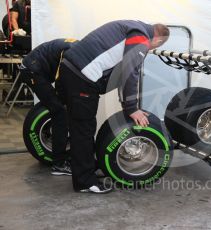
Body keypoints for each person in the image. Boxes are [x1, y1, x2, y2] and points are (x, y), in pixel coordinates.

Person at [58, 20, 169, 194]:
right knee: (83, 129)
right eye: (152, 48)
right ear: (157, 41)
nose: (150, 50)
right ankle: (85, 182)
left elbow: (120, 74)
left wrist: (126, 106)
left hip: (70, 69)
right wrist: (132, 108)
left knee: (81, 127)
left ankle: (84, 169)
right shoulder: (141, 38)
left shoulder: (132, 27)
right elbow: (130, 72)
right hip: (81, 77)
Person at [20, 38, 78, 176]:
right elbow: (60, 79)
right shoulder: (72, 51)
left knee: (60, 105)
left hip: (35, 68)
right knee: (59, 113)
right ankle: (59, 164)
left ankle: (59, 153)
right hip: (32, 71)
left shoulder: (76, 46)